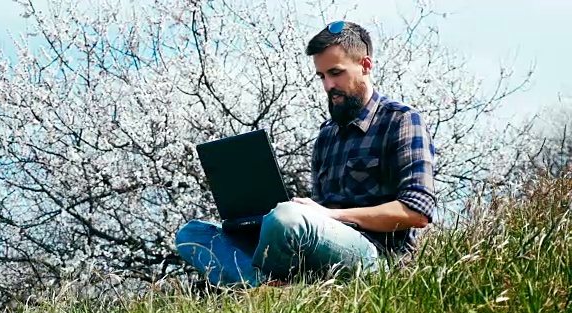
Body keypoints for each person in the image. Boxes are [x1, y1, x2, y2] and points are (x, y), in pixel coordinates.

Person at [175, 20, 436, 288]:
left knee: (287, 218)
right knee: (192, 234)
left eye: (336, 73)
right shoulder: (328, 134)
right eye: (322, 76)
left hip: (377, 257)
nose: (328, 85)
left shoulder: (402, 120)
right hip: (321, 243)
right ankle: (267, 288)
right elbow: (319, 210)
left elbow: (416, 213)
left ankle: (258, 285)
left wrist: (331, 216)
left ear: (365, 66)